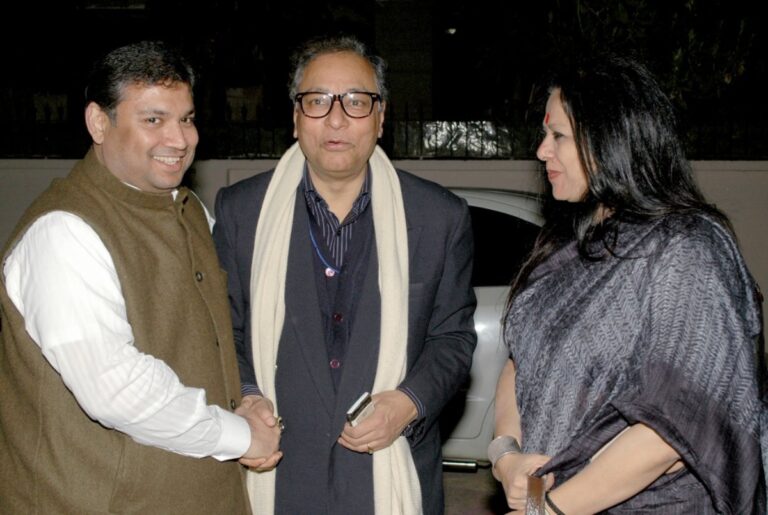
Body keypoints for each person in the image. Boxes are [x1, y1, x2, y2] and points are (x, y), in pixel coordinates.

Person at [0, 41, 281, 514]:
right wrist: (239, 436)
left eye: (187, 119)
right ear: (98, 123)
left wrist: (246, 398)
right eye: (153, 120)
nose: (179, 139)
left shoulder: (189, 212)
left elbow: (215, 335)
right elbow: (116, 388)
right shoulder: (63, 231)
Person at [490, 55, 767, 514]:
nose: (541, 151)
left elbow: (679, 419)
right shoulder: (567, 244)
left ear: (609, 141)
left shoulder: (686, 249)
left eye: (557, 135)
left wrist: (554, 509)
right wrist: (506, 455)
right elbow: (522, 360)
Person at [213, 35, 477, 515]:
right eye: (317, 101)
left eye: (356, 101)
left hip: (388, 472)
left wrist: (409, 403)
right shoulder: (241, 212)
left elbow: (452, 338)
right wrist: (247, 397)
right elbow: (220, 332)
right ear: (295, 117)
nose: (336, 119)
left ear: (381, 117)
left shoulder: (438, 217)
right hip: (278, 472)